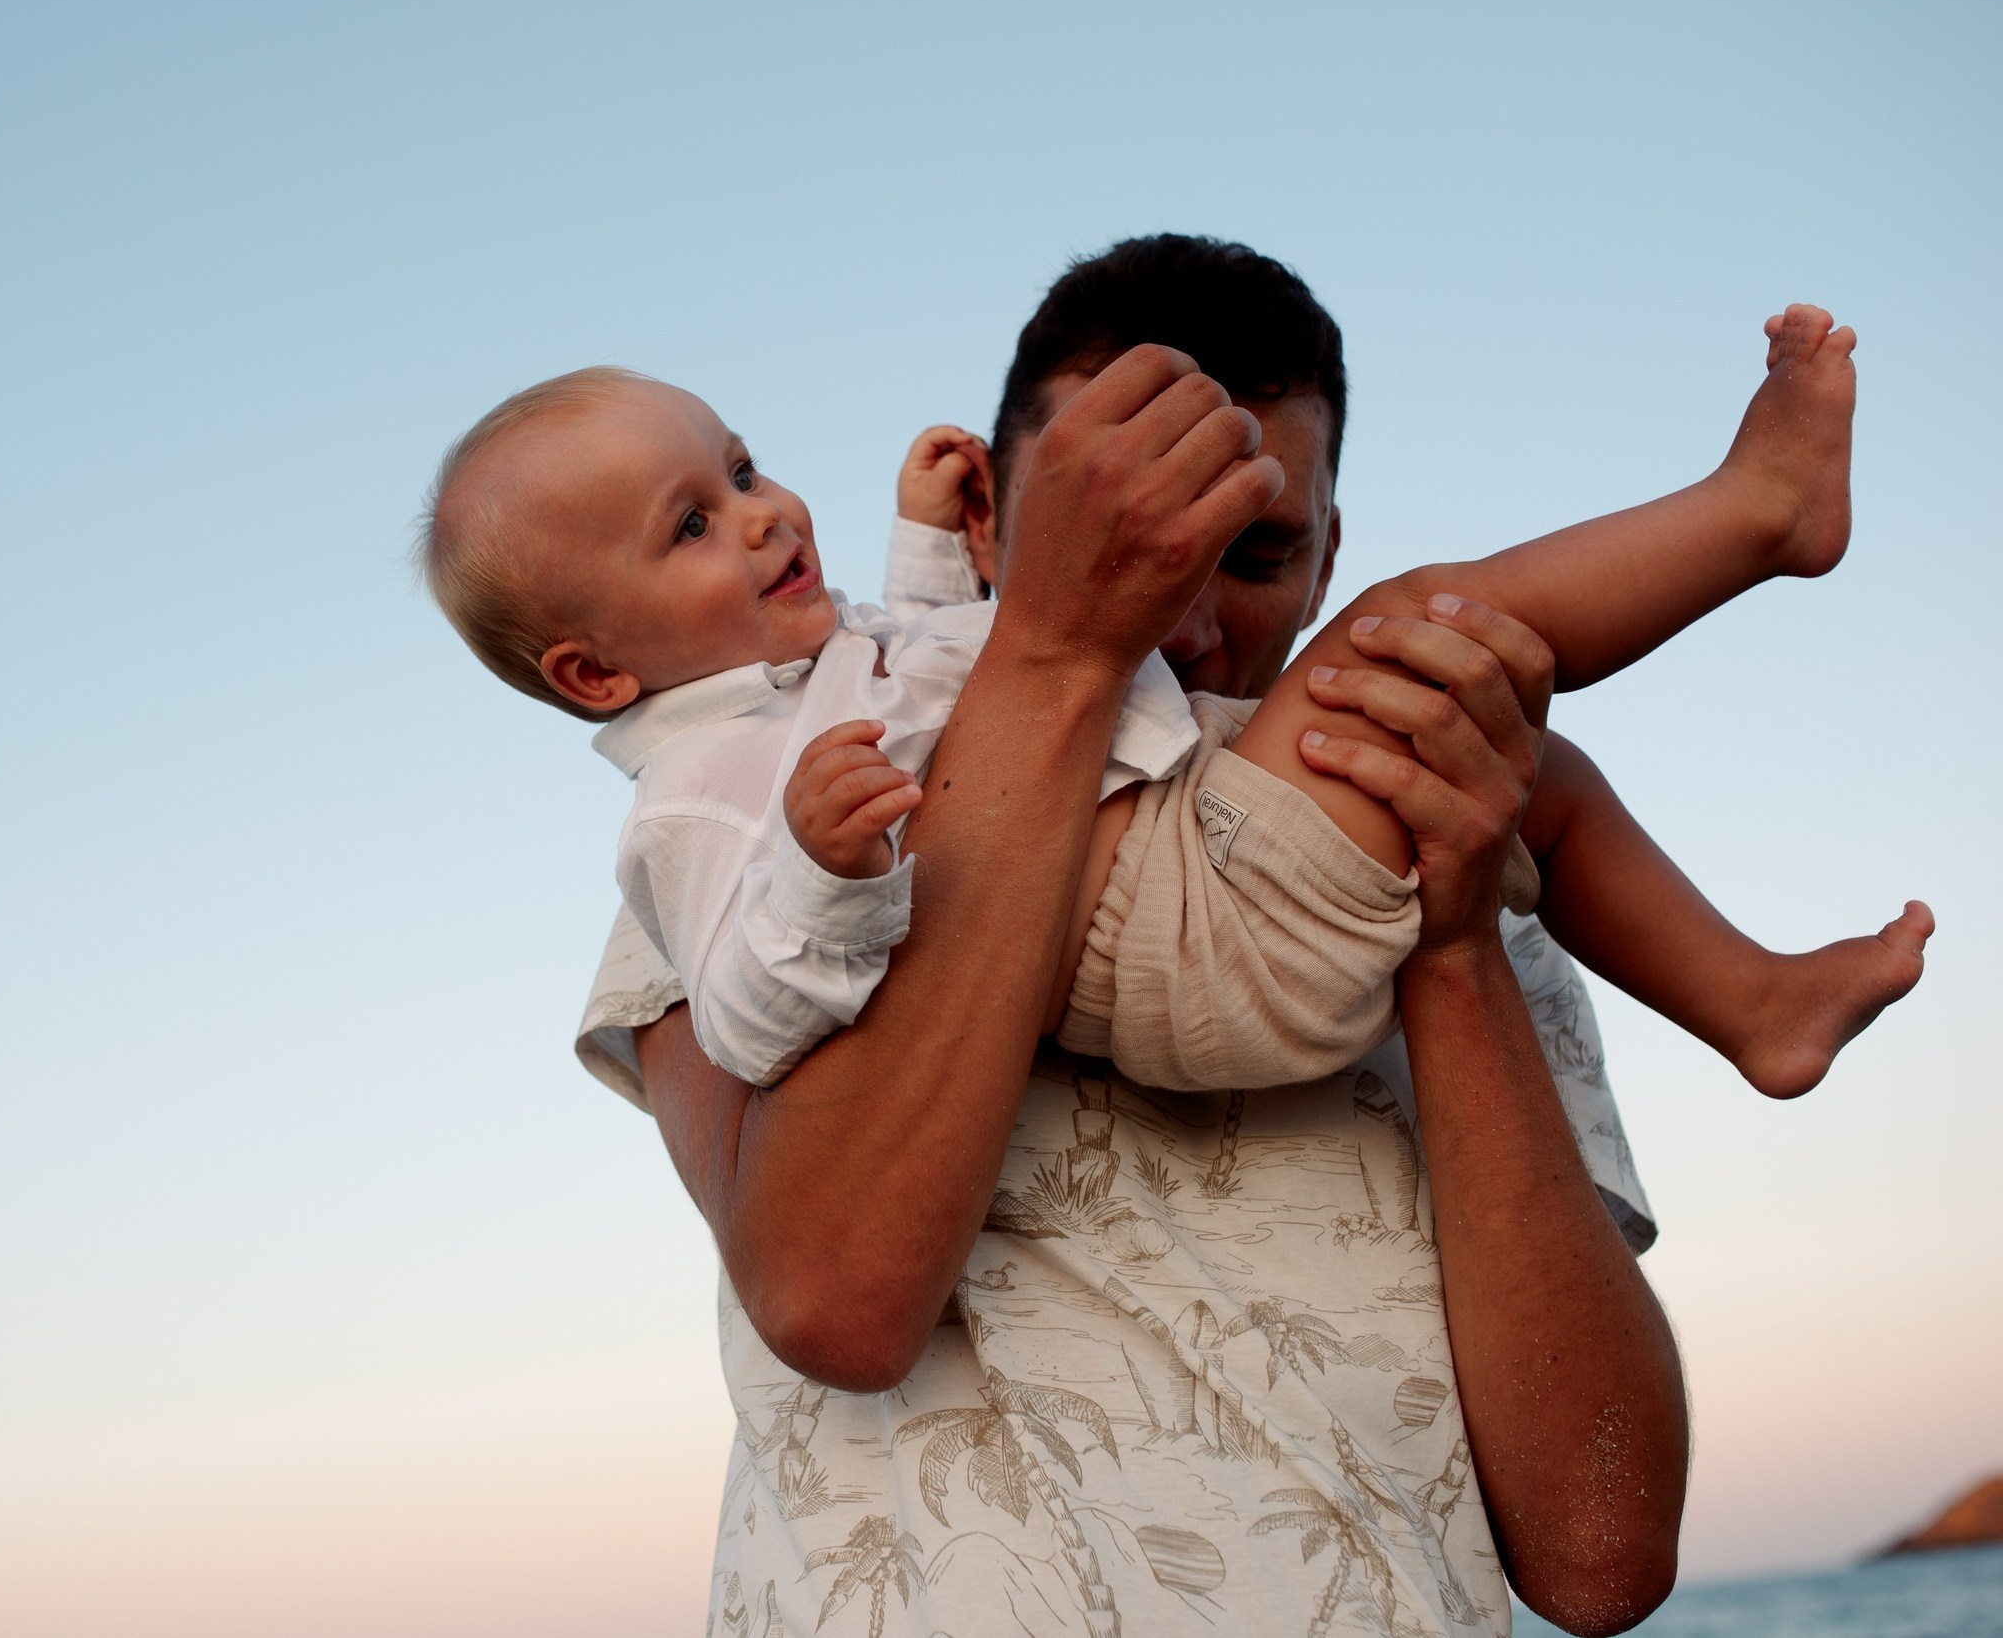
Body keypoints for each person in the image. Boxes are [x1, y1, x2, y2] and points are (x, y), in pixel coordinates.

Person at [576, 238, 1701, 1636]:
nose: (1189, 611)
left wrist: (1458, 953)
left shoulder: (1458, 868)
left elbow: (1601, 1554)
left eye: (1256, 551)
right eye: (1137, 530)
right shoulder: (771, 823)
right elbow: (835, 1295)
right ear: (995, 525)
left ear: (1327, 562)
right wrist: (1054, 657)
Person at [421, 312, 1926, 1104]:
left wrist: (931, 553)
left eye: (742, 468)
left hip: (1188, 864)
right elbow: (750, 1021)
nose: (759, 514)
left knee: (1530, 752)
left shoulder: (804, 680)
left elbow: (943, 680)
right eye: (690, 525)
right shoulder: (698, 795)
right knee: (1411, 629)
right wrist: (819, 870)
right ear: (595, 673)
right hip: (1170, 929)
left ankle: (1754, 1002)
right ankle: (1760, 514)